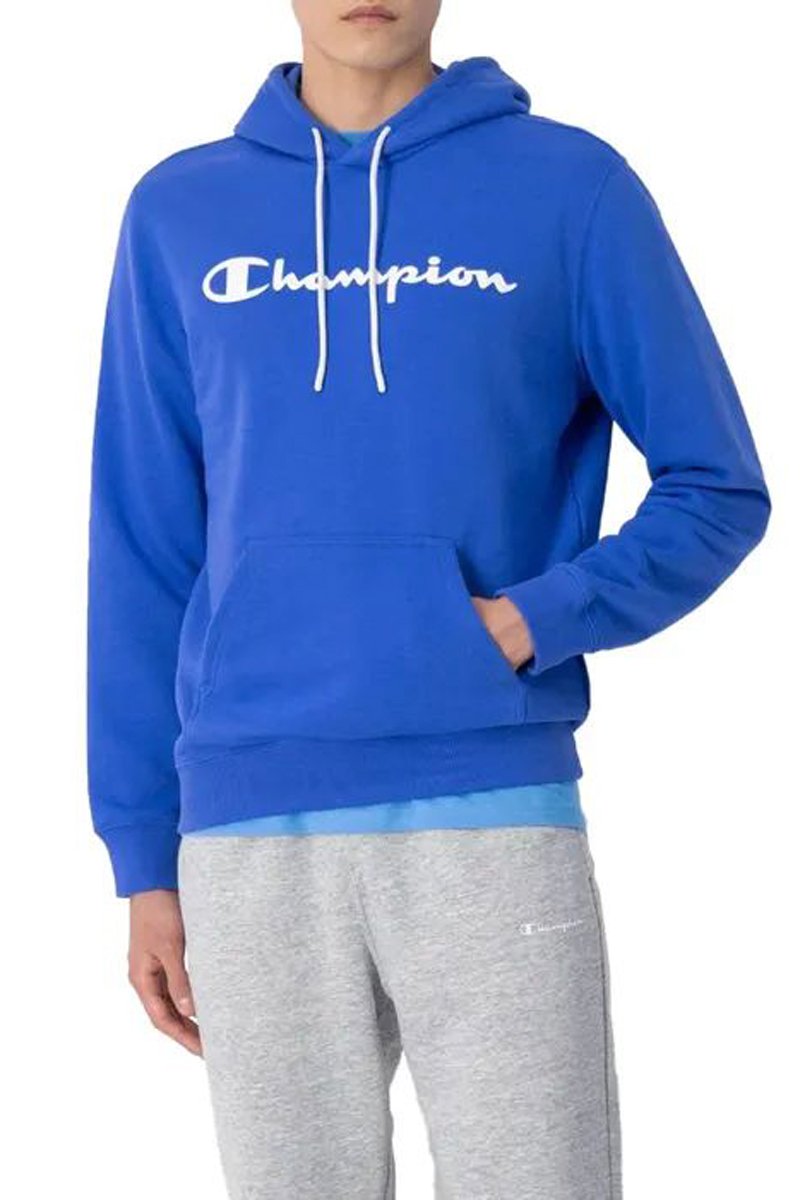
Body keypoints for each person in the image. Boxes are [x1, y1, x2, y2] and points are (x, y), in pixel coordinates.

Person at [87, 2, 770, 1196]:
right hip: (246, 832)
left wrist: (526, 621)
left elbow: (715, 487)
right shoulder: (178, 212)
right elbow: (142, 545)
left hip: (490, 812)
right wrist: (143, 856)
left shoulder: (570, 188)